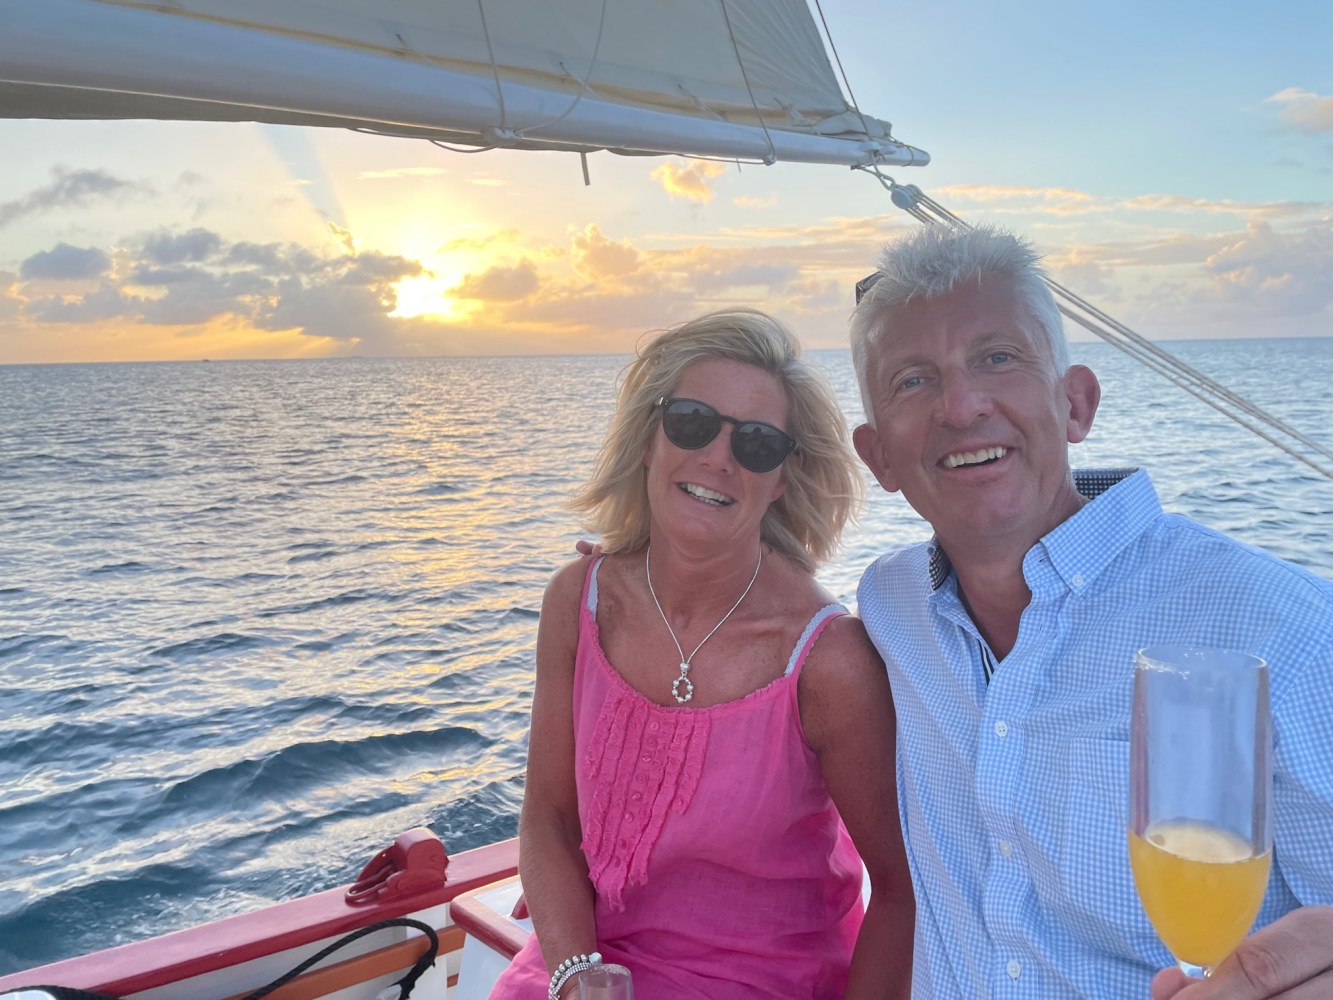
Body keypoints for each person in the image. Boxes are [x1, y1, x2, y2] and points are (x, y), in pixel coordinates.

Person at [848, 223, 1333, 998]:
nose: (961, 405)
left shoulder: (1284, 630)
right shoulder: (890, 605)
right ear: (877, 459)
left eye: (997, 358)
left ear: (1075, 403)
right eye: (913, 380)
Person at [490, 308, 914, 1000]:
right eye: (691, 422)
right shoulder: (578, 601)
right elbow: (547, 819)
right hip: (586, 967)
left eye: (755, 443)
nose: (718, 457)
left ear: (781, 475)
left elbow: (900, 892)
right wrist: (573, 978)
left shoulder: (824, 660)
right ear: (648, 437)